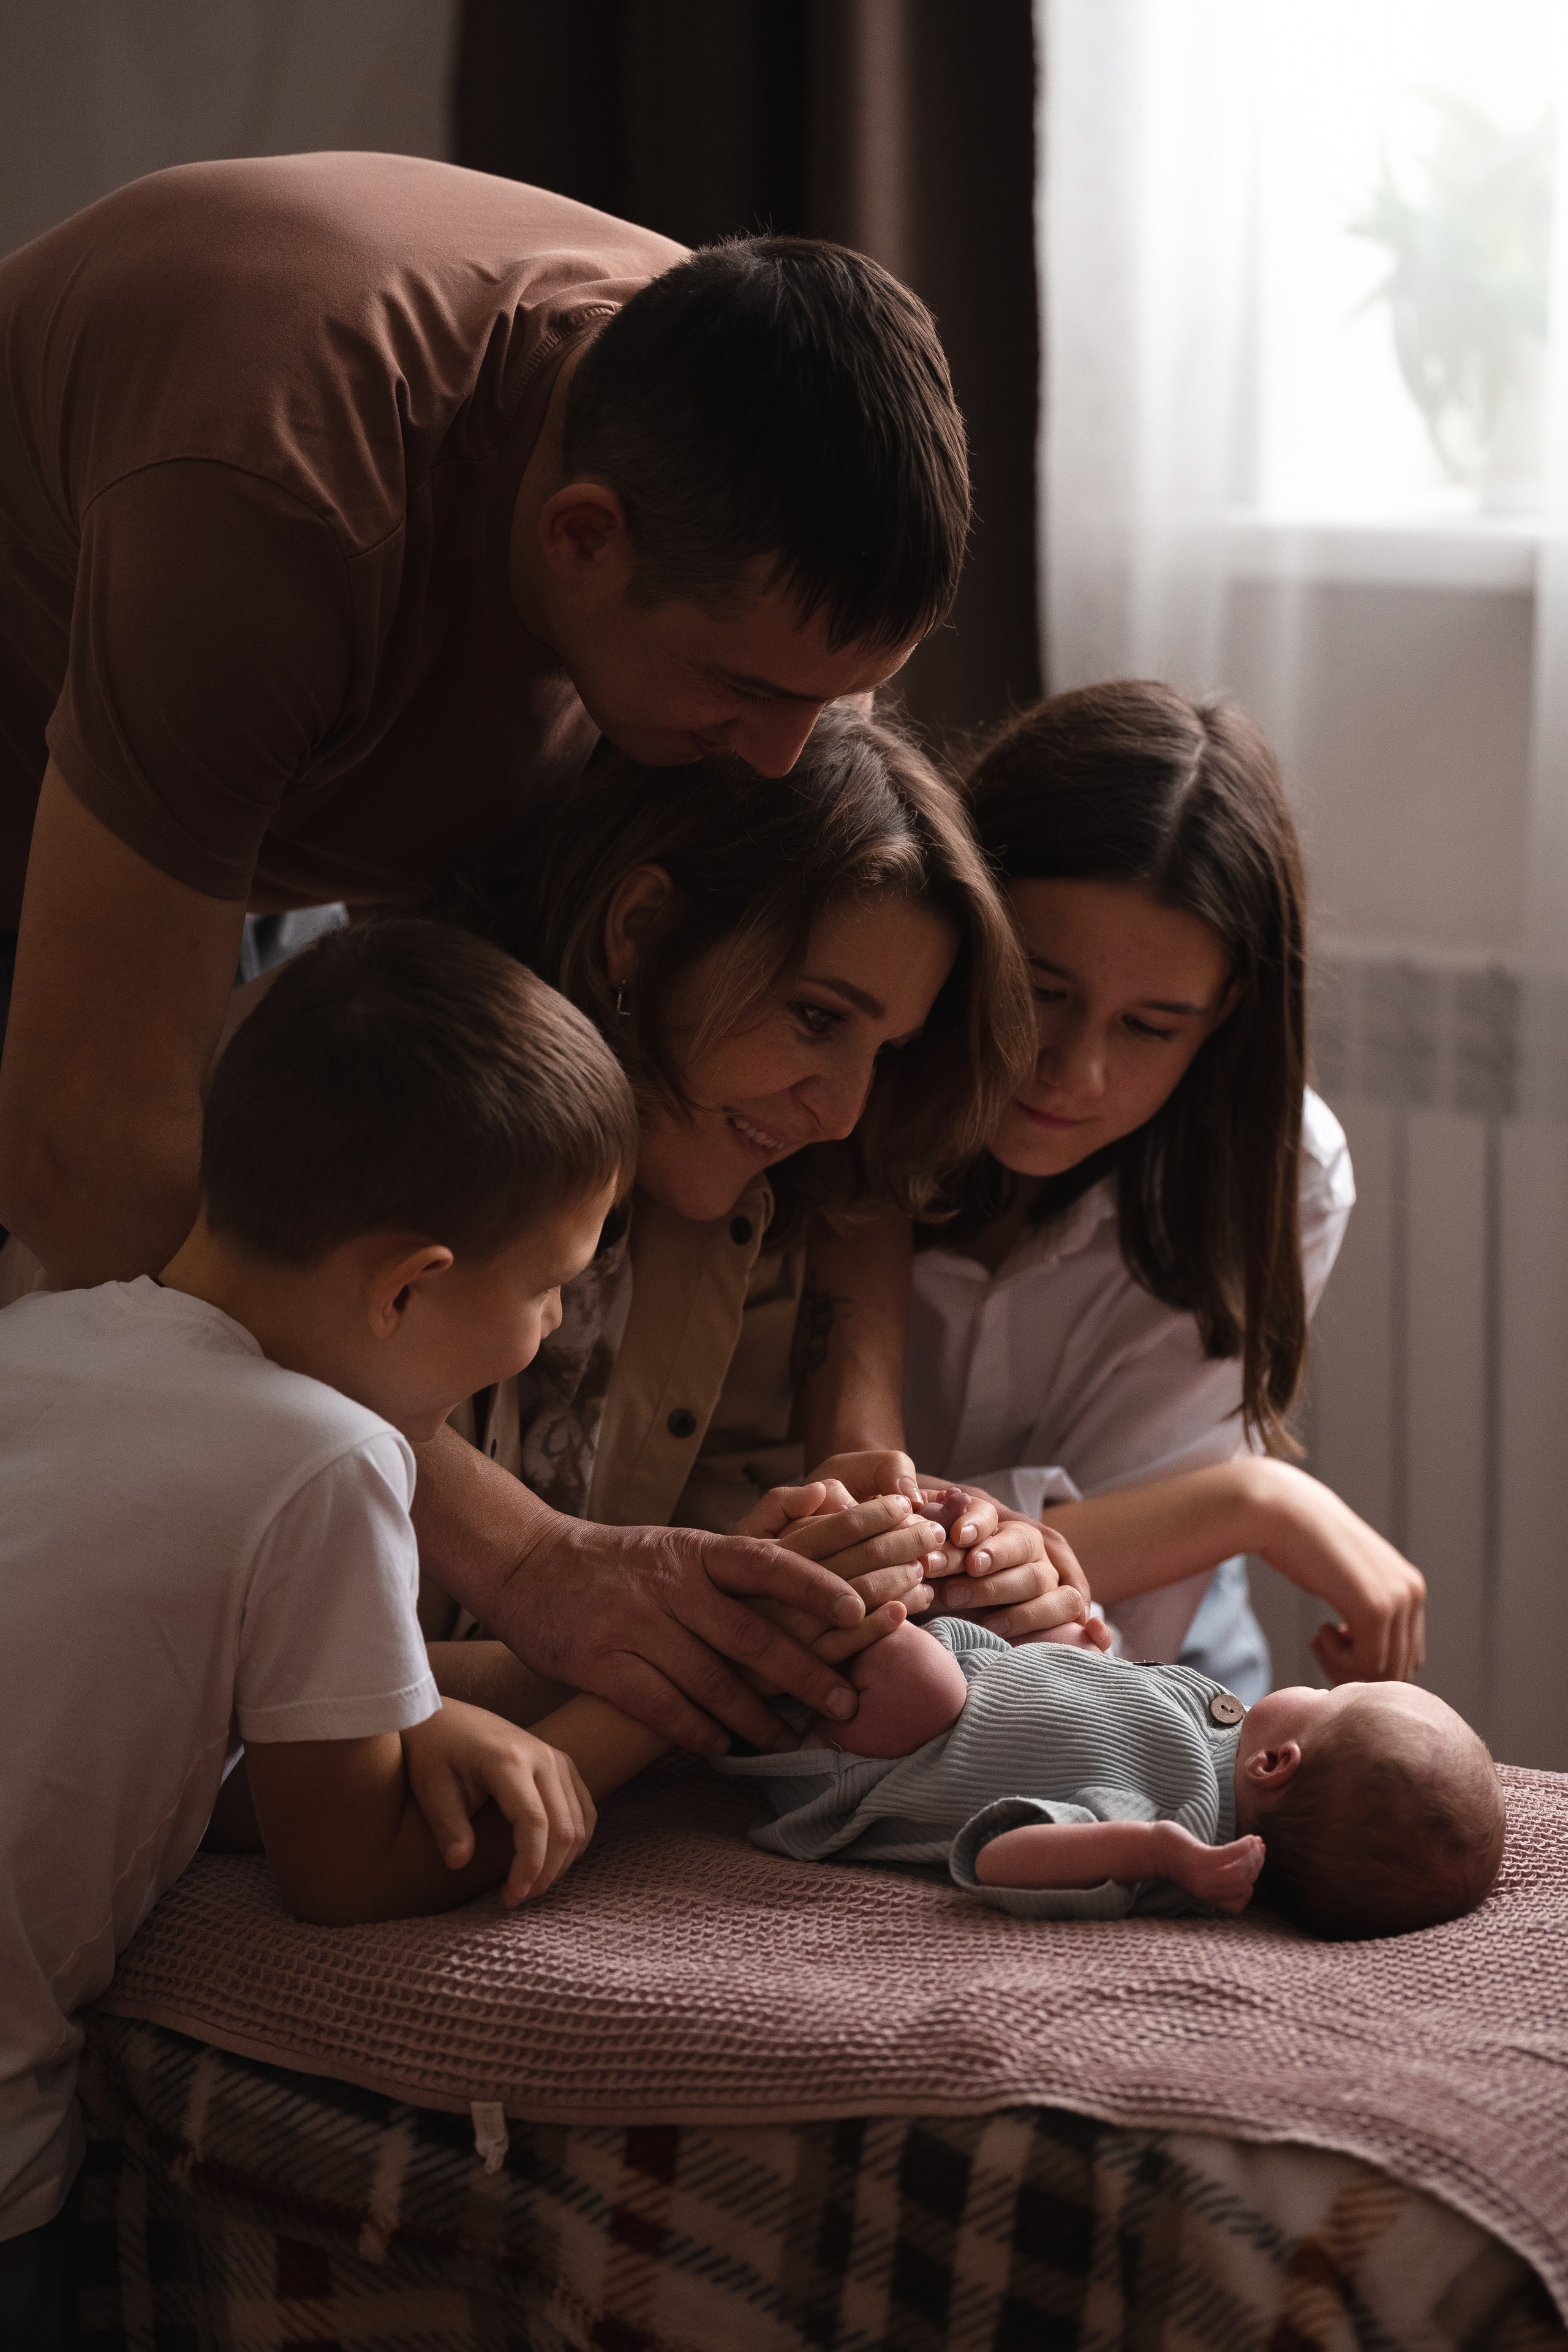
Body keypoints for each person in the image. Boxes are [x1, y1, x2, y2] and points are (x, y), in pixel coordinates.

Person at [0, 154, 970, 1754]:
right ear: (580, 541)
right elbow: (89, 1159)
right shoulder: (274, 499)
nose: (790, 764)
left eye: (840, 703)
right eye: (746, 696)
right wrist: (533, 1562)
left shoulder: (754, 474)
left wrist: (854, 1413)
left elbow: (858, 1078)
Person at [0, 919, 922, 2349]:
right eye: (552, 1281)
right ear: (407, 1284)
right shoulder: (326, 1457)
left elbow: (146, 1732)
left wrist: (430, 1713)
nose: (555, 1329)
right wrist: (647, 1711)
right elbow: (348, 1867)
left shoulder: (39, 1338)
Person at [420, 706, 1101, 1692]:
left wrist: (925, 1562)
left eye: (888, 1053)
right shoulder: (382, 1115)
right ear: (642, 931)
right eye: (817, 1017)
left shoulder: (745, 1216)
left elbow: (718, 1565)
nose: (841, 1111)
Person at [900, 681, 1427, 1699]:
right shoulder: (836, 1100)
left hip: (1143, 1653)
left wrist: (1219, 1512)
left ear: (1224, 1013)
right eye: (1040, 992)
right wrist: (1251, 1504)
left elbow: (1078, 1604)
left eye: (1150, 1027)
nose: (1075, 1071)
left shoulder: (1276, 1177)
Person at [717, 1611, 1506, 1940]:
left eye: (1332, 1697)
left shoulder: (1179, 1818)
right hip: (977, 1680)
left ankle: (775, 1666)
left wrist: (1153, 1852)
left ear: (1276, 1764)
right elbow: (1098, 1717)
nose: (1314, 1684)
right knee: (1045, 1624)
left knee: (918, 1675)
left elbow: (999, 1857)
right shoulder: (1212, 1734)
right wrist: (1088, 1660)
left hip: (879, 1759)